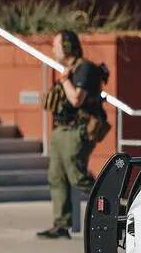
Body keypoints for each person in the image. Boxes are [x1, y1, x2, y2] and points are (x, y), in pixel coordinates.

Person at [38, 30, 107, 240]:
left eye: (56, 44)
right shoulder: (70, 69)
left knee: (78, 177)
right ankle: (61, 224)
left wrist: (65, 80)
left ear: (67, 46)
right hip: (62, 130)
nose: (53, 49)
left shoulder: (84, 68)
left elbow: (77, 99)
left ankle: (114, 206)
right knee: (56, 177)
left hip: (78, 131)